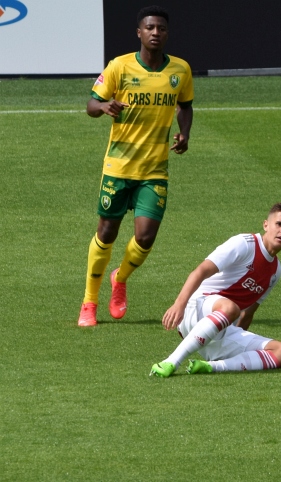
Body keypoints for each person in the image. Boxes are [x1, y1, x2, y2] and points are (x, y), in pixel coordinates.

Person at [78, 5, 194, 327]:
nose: (156, 32)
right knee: (107, 231)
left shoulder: (180, 70)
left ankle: (121, 277)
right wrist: (103, 106)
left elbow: (185, 106)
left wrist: (185, 132)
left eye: (161, 28)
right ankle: (89, 302)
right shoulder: (120, 66)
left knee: (145, 237)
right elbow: (90, 104)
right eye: (150, 28)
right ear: (139, 32)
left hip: (154, 169)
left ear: (167, 33)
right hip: (118, 167)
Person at [150, 203, 281, 377]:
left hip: (221, 325)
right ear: (266, 224)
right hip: (195, 308)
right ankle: (171, 361)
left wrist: (238, 344)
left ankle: (211, 366)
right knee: (230, 308)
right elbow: (201, 271)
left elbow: (248, 313)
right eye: (279, 224)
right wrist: (179, 304)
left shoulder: (276, 271)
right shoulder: (245, 243)